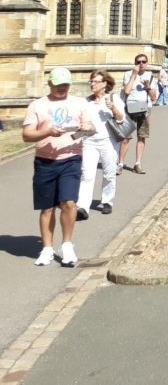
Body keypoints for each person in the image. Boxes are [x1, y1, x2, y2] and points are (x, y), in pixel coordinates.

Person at [22, 67, 93, 267]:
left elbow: (89, 129)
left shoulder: (79, 103)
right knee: (46, 208)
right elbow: (27, 135)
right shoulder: (37, 105)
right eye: (58, 85)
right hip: (45, 161)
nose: (62, 88)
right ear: (50, 84)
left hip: (71, 159)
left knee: (69, 203)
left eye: (65, 85)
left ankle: (67, 245)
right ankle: (46, 249)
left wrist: (84, 130)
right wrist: (46, 132)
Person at [76, 70, 124, 219]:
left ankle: (107, 201)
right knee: (87, 174)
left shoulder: (113, 98)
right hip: (89, 141)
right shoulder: (85, 102)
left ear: (104, 84)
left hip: (108, 141)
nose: (92, 84)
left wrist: (113, 109)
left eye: (95, 81)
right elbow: (80, 122)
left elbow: (121, 119)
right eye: (91, 81)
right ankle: (83, 206)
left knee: (109, 173)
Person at [118, 54, 157, 175]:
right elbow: (127, 91)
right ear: (135, 63)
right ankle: (120, 163)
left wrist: (147, 87)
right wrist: (134, 75)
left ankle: (137, 163)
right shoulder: (128, 74)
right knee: (125, 138)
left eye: (143, 62)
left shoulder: (151, 77)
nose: (141, 64)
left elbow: (154, 97)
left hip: (144, 109)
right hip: (129, 109)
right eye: (138, 62)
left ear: (147, 63)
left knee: (141, 136)